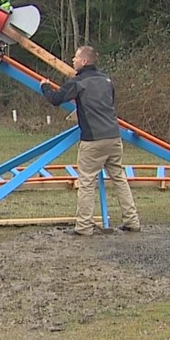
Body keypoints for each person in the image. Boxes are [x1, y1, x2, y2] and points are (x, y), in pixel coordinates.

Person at [39, 45, 141, 237]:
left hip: (93, 140)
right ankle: (132, 221)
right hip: (113, 137)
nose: (72, 60)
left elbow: (55, 99)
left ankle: (84, 226)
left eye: (76, 57)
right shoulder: (107, 81)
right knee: (119, 179)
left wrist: (44, 85)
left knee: (86, 182)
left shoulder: (79, 82)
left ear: (84, 61)